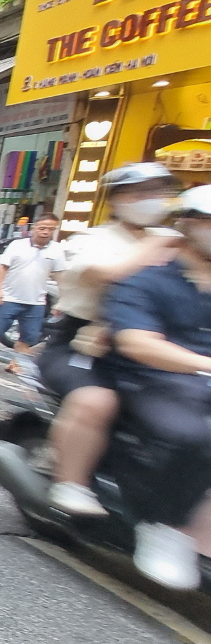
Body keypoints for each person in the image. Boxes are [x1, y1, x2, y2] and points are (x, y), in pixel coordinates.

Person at [38, 163, 180, 516]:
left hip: (157, 351)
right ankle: (71, 481)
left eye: (158, 192)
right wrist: (159, 245)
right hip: (83, 346)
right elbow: (105, 274)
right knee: (96, 401)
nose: (151, 199)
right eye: (141, 192)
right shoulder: (92, 240)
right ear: (117, 199)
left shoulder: (180, 244)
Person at [104, 184, 211, 589]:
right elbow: (137, 342)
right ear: (189, 224)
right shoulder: (146, 281)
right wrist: (204, 365)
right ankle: (163, 523)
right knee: (195, 434)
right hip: (153, 381)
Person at [0, 213, 65, 373]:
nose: (46, 232)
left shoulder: (56, 249)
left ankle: (16, 362)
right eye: (42, 228)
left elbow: (60, 276)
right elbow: (3, 268)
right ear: (34, 228)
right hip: (9, 297)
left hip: (36, 301)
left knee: (29, 335)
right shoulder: (18, 245)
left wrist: (62, 301)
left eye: (51, 229)